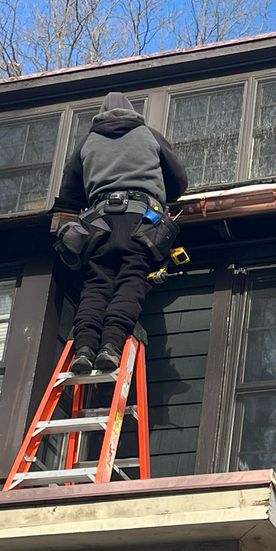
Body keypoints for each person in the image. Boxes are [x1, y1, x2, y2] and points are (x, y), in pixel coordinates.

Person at [58, 92, 189, 374]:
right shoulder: (148, 134)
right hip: (142, 219)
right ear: (132, 111)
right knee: (131, 279)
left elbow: (69, 193)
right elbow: (179, 179)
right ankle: (111, 346)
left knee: (96, 284)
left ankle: (84, 348)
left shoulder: (87, 141)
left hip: (99, 223)